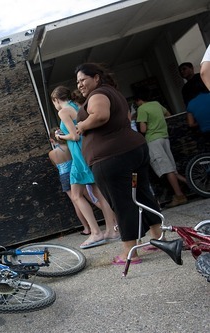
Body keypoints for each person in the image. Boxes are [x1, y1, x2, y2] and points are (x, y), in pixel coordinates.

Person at [75, 63, 162, 265]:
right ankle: (158, 238)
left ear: (96, 78)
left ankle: (128, 252)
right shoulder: (114, 93)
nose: (79, 85)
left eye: (83, 80)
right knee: (142, 194)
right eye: (77, 82)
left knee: (121, 204)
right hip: (133, 150)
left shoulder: (98, 95)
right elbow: (125, 118)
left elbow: (101, 116)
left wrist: (81, 125)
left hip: (111, 157)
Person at [51, 86, 119, 249]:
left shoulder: (63, 111)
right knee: (99, 193)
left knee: (76, 195)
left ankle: (95, 232)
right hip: (87, 151)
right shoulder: (76, 106)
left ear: (56, 100)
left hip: (79, 156)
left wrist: (60, 136)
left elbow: (74, 135)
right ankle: (112, 230)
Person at [134, 94, 187, 208]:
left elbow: (143, 129)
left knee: (167, 169)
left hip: (153, 140)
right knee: (171, 168)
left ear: (139, 100)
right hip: (164, 137)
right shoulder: (157, 104)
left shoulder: (142, 109)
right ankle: (191, 184)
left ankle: (179, 195)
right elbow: (169, 115)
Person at [48, 127, 91, 235]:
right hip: (75, 172)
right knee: (90, 197)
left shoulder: (52, 153)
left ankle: (86, 228)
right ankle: (112, 219)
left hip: (64, 176)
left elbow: (56, 166)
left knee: (76, 202)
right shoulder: (69, 147)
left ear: (51, 140)